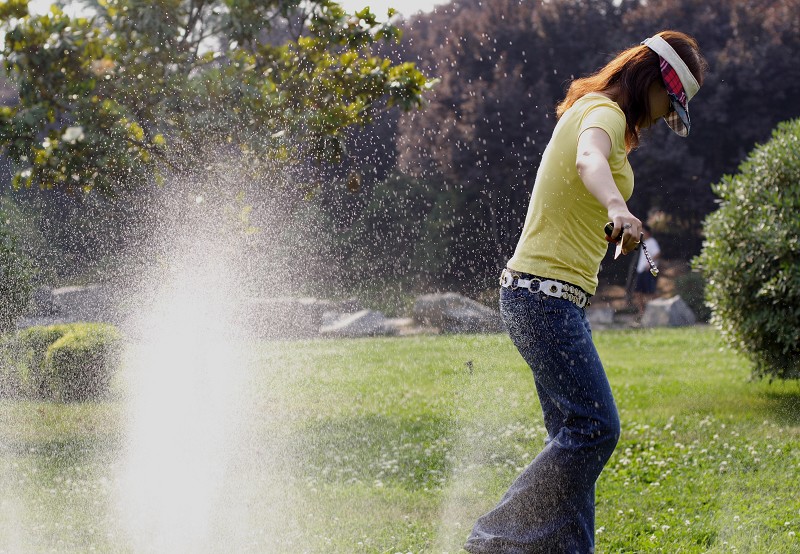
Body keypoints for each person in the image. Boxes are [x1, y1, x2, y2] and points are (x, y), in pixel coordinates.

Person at [464, 31, 707, 553]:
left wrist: (610, 222)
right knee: (595, 429)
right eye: (670, 102)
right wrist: (619, 209)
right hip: (543, 298)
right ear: (652, 80)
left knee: (573, 439)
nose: (665, 116)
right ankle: (492, 538)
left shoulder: (592, 112)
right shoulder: (603, 112)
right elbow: (589, 162)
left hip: (541, 296)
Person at [633, 224, 661, 315]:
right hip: (641, 271)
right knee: (638, 292)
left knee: (651, 292)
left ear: (647, 232)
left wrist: (650, 264)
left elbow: (657, 253)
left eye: (643, 231)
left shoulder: (652, 241)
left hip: (647, 270)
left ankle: (659, 310)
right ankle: (642, 312)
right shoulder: (644, 243)